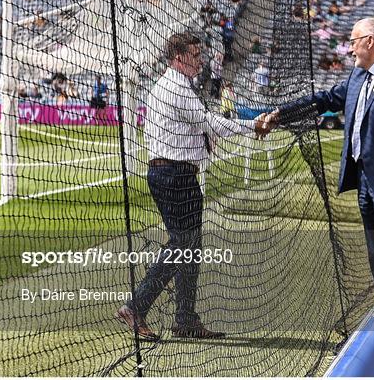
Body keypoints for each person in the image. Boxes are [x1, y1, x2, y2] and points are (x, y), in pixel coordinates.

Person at [115, 32, 270, 340]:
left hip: (175, 174)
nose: (201, 60)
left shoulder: (176, 85)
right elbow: (209, 123)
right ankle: (136, 307)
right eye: (196, 55)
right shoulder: (175, 86)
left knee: (190, 247)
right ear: (179, 57)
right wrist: (252, 125)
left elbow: (201, 128)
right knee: (182, 245)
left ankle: (185, 318)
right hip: (174, 175)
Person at [263, 18, 374, 296]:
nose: (350, 49)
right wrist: (282, 114)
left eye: (353, 41)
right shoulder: (357, 77)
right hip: (363, 179)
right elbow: (324, 99)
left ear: (369, 41)